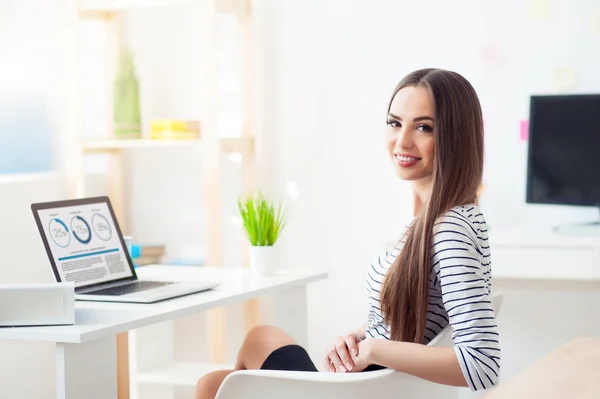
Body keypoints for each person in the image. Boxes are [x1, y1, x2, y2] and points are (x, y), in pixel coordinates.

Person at [195, 68, 500, 399]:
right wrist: (360, 336)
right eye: (395, 123)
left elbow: (482, 365)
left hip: (369, 391)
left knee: (213, 385)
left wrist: (373, 350)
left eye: (423, 127)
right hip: (369, 381)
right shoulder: (438, 218)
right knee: (261, 337)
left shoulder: (450, 228)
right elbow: (412, 322)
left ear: (454, 137)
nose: (402, 141)